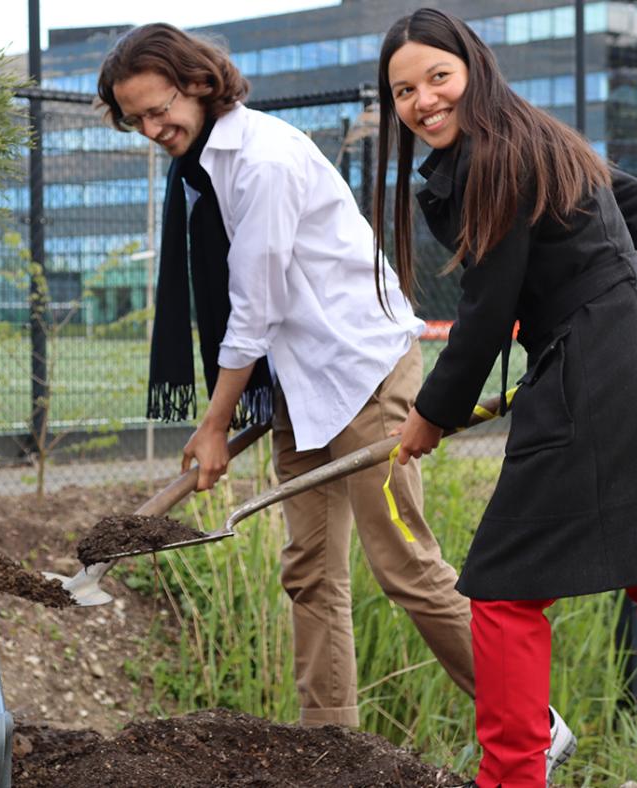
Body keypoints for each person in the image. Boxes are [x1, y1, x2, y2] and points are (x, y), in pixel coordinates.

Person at [95, 22, 577, 777]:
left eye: (160, 110)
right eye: (140, 121)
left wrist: (216, 424)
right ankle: (330, 750)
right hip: (301, 387)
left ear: (197, 83)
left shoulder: (262, 161)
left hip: (365, 376)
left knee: (406, 567)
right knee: (309, 569)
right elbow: (264, 316)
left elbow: (253, 306)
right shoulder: (206, 170)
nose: (155, 130)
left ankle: (533, 723)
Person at [375, 8, 637, 787]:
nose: (423, 101)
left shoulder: (497, 157)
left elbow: (487, 313)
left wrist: (429, 416)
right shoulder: (535, 137)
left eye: (438, 77)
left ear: (474, 70)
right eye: (403, 90)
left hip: (597, 368)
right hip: (635, 357)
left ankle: (512, 777)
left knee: (503, 593)